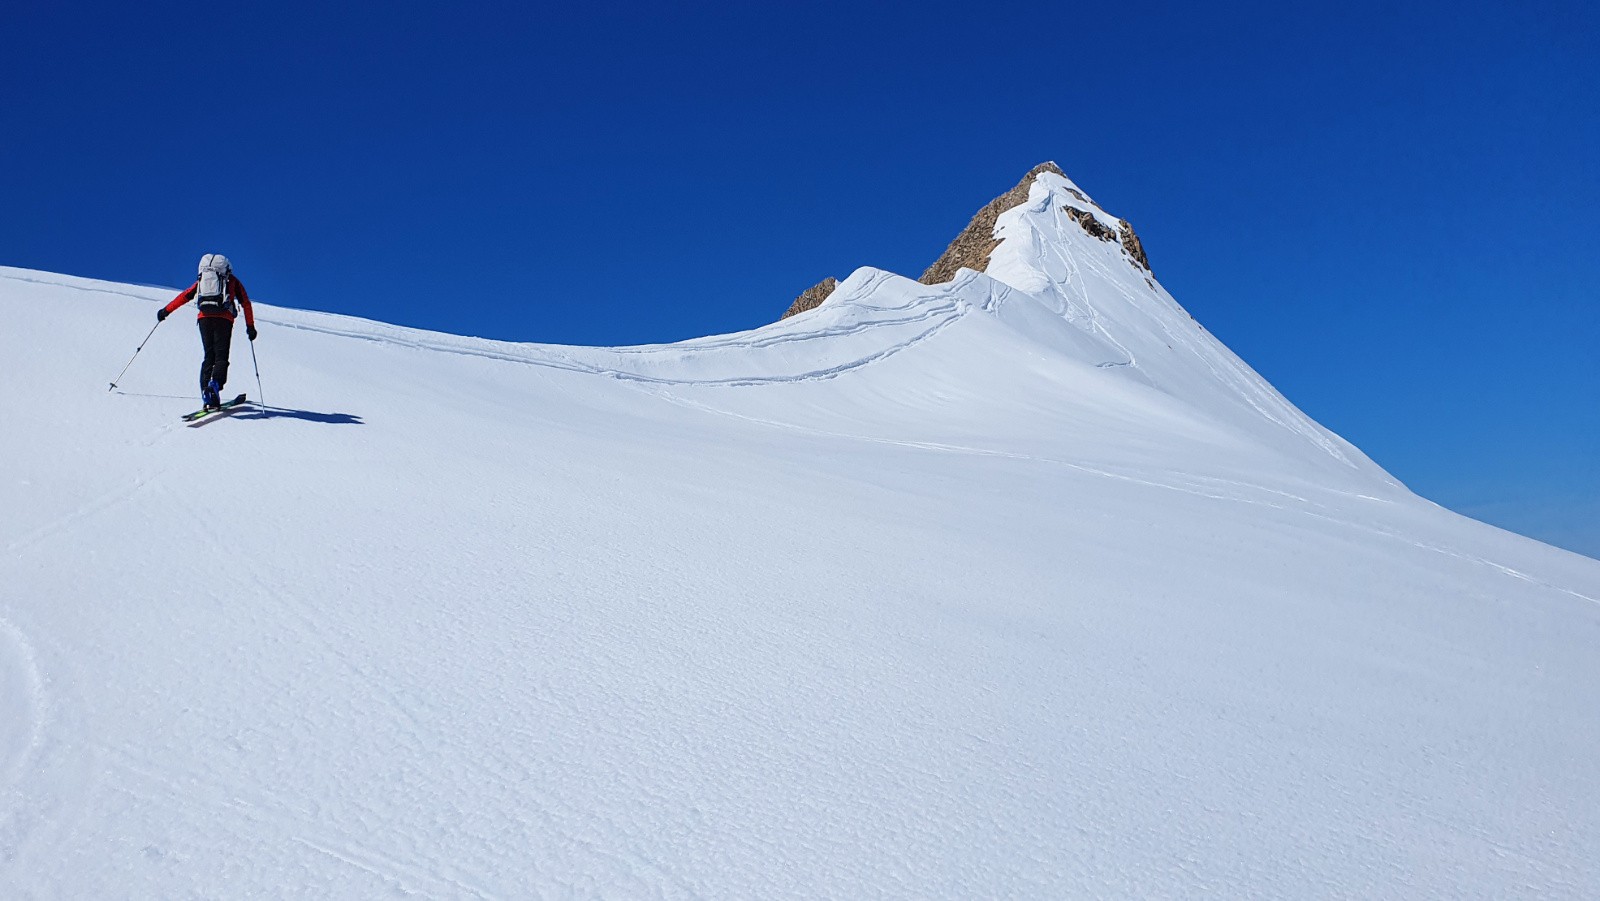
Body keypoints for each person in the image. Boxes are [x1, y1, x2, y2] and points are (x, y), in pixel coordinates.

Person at [158, 254, 257, 409]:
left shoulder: (202, 280)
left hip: (204, 318)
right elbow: (246, 303)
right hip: (224, 320)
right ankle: (215, 386)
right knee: (221, 357)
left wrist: (165, 311)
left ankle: (207, 393)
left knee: (209, 357)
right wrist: (250, 327)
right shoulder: (232, 281)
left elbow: (185, 295)